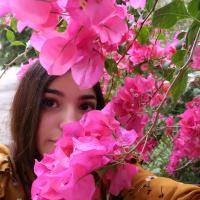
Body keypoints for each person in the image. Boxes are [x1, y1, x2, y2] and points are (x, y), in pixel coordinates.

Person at [0, 61, 200, 200]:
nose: (70, 123)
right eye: (50, 102)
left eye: (85, 106)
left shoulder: (113, 171)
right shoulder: (5, 175)